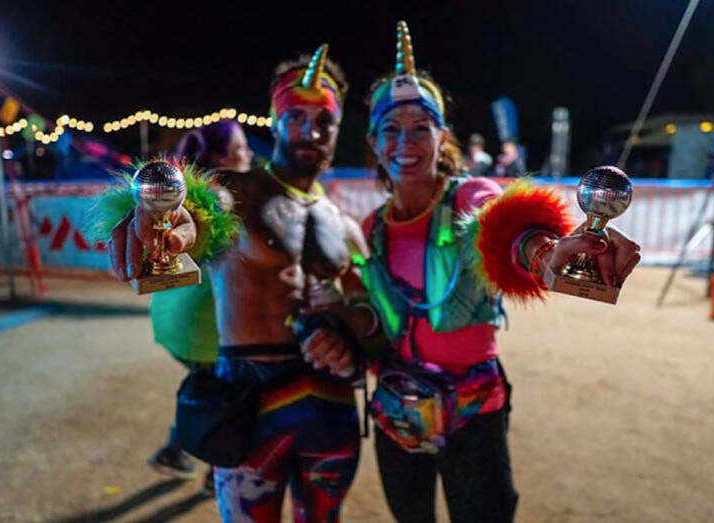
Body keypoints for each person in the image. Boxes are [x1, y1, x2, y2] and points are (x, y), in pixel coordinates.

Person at [358, 22, 641, 522]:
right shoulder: (371, 228)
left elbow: (503, 226)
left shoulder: (468, 196)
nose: (405, 141)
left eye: (421, 127)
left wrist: (545, 252)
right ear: (374, 143)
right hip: (397, 409)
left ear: (442, 136)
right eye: (391, 129)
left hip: (473, 410)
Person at [106, 44, 375, 522]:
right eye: (296, 117)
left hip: (333, 410)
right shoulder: (238, 193)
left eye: (325, 121)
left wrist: (348, 336)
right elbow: (197, 212)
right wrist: (164, 212)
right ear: (274, 121)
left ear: (338, 129)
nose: (311, 131)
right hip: (249, 410)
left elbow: (369, 313)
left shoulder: (346, 225)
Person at [147, 120, 253, 495]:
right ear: (222, 158)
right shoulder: (220, 196)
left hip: (172, 318)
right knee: (231, 394)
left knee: (208, 386)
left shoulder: (191, 192)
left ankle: (178, 452)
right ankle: (213, 467)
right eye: (241, 148)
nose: (250, 154)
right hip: (202, 325)